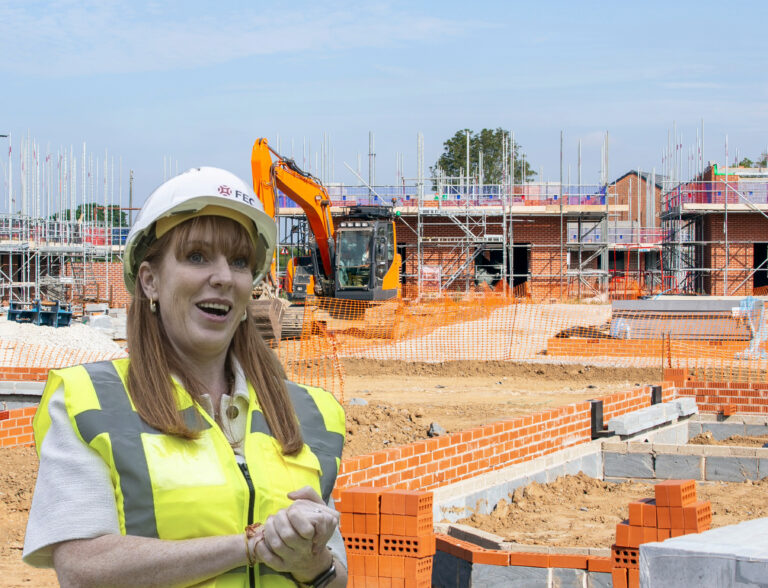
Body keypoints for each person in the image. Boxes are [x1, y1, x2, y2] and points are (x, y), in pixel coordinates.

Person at [23, 167, 348, 588]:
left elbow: (334, 576)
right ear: (150, 280)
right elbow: (84, 569)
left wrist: (310, 561)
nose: (223, 277)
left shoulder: (309, 412)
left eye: (239, 262)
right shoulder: (91, 404)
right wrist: (248, 547)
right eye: (196, 257)